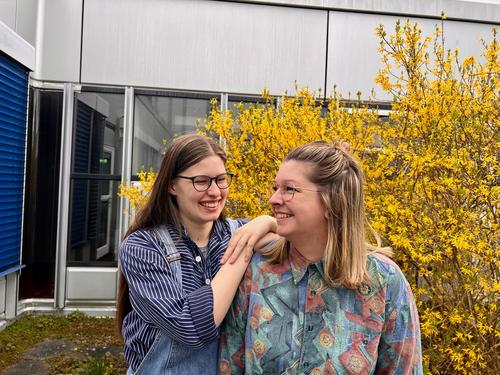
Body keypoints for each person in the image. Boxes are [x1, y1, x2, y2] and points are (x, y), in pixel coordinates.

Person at [219, 141, 423, 374]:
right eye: (276, 188)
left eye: (289, 189)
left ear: (331, 201)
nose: (273, 199)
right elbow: (230, 364)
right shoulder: (257, 269)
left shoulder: (385, 281)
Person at [117, 134, 276, 375]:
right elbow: (189, 327)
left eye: (221, 180)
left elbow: (296, 244)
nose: (215, 192)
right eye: (201, 181)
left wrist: (266, 221)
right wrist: (241, 252)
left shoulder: (239, 232)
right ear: (171, 185)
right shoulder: (142, 248)